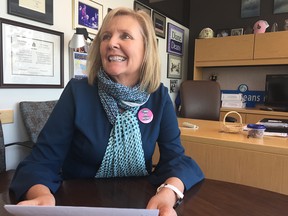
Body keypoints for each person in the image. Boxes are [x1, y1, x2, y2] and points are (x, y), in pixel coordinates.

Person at [10, 7, 204, 216]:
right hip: (79, 204)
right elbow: (42, 161)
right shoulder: (77, 92)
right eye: (106, 36)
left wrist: (169, 193)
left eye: (126, 36)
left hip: (141, 205)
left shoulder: (159, 97)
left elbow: (175, 160)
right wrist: (41, 194)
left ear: (146, 49)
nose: (111, 43)